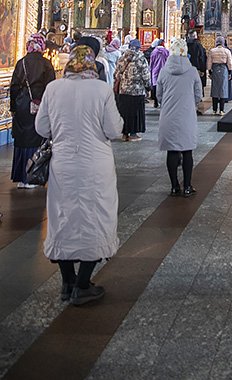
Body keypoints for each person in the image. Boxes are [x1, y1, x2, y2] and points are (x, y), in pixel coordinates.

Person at [34, 45, 122, 305]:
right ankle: (82, 284)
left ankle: (67, 283)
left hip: (63, 165)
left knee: (64, 217)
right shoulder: (101, 90)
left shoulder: (54, 88)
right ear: (92, 64)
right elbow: (114, 130)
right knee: (95, 218)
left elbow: (41, 127)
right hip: (95, 165)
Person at [156, 37, 203, 197]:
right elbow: (198, 95)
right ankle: (188, 186)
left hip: (168, 115)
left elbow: (159, 95)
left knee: (172, 150)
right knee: (187, 150)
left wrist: (168, 104)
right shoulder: (192, 71)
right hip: (186, 115)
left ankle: (175, 186)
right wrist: (190, 104)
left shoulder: (163, 71)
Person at [9, 32, 55, 189]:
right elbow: (51, 88)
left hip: (22, 103)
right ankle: (32, 176)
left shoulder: (21, 62)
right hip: (39, 103)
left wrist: (13, 108)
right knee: (36, 138)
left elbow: (14, 86)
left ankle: (20, 177)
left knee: (21, 140)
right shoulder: (46, 64)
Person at [113, 39, 150, 141]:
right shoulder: (141, 58)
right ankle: (133, 134)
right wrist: (148, 88)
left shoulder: (122, 57)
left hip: (124, 90)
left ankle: (124, 134)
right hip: (137, 91)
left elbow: (116, 74)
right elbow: (145, 75)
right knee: (135, 113)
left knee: (124, 112)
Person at [206, 35, 232, 115]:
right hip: (224, 70)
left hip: (215, 70)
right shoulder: (226, 51)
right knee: (223, 89)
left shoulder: (212, 51)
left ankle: (214, 109)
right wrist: (229, 72)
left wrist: (209, 72)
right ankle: (221, 110)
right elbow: (229, 63)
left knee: (214, 89)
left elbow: (209, 62)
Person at [187, 30, 207, 102]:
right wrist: (202, 69)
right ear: (195, 36)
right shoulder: (198, 45)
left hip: (186, 68)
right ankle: (198, 99)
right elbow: (201, 58)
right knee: (197, 84)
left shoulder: (184, 44)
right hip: (196, 68)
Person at [149, 39, 170, 108]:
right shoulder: (166, 51)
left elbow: (151, 63)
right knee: (163, 87)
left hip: (155, 71)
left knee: (155, 87)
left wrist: (150, 70)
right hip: (164, 70)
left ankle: (155, 102)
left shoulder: (154, 52)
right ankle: (163, 102)